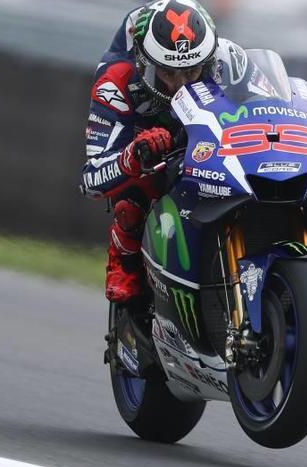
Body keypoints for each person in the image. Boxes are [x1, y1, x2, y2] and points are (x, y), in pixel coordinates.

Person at [80, 0, 240, 317]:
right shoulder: (115, 80)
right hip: (150, 134)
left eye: (192, 71)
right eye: (168, 72)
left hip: (206, 133)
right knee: (129, 199)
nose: (181, 84)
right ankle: (124, 260)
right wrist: (132, 157)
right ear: (146, 63)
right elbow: (90, 180)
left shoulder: (225, 59)